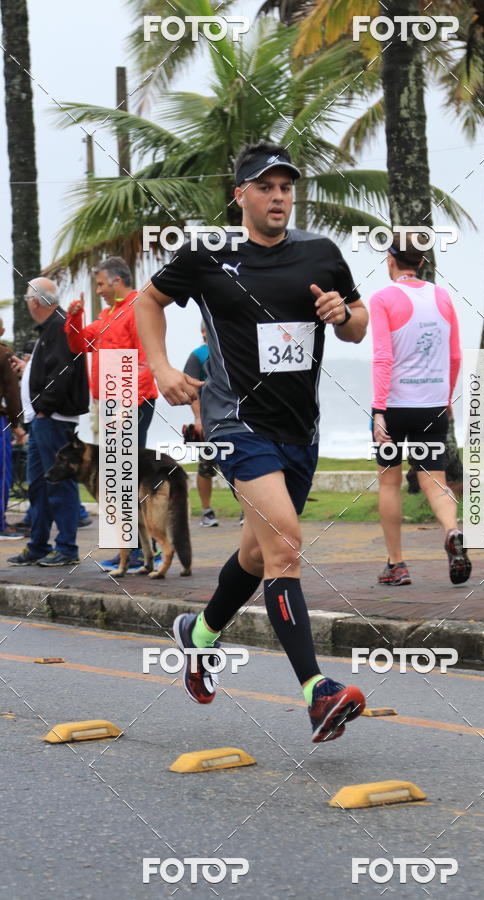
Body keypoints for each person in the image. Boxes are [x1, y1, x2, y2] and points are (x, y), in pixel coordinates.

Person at [136, 141, 368, 743]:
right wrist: (162, 369)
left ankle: (200, 635)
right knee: (288, 544)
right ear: (241, 194)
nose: (278, 198)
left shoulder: (321, 254)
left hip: (300, 430)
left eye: (286, 188)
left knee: (260, 554)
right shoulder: (209, 253)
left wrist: (341, 313)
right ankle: (317, 692)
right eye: (266, 187)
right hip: (236, 426)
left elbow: (359, 326)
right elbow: (149, 300)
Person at [369, 233, 471, 586]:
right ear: (423, 264)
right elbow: (455, 356)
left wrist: (378, 410)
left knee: (390, 482)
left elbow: (383, 357)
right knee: (435, 479)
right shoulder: (442, 297)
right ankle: (453, 531)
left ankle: (396, 565)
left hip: (395, 405)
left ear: (391, 260)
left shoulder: (382, 298)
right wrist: (446, 400)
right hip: (432, 405)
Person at [64, 256, 159, 571]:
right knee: (117, 475)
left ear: (118, 281)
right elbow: (79, 344)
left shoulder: (137, 309)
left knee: (127, 474)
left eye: (102, 284)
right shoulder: (107, 314)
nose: (99, 290)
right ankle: (126, 550)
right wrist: (74, 318)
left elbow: (145, 359)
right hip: (112, 402)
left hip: (130, 401)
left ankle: (144, 550)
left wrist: (128, 403)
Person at [7, 279, 89, 567]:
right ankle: (38, 545)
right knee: (39, 486)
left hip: (52, 418)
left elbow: (62, 371)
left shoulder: (59, 325)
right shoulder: (51, 327)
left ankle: (66, 547)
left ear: (35, 301)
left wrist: (43, 408)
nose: (27, 302)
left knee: (59, 483)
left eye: (28, 297)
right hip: (43, 420)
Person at [183, 324, 219, 527]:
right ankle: (207, 511)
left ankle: (246, 511)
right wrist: (198, 419)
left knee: (241, 465)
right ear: (203, 332)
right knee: (206, 467)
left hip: (234, 419)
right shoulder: (198, 355)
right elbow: (191, 390)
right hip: (208, 420)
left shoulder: (230, 350)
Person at [0, 317, 26, 539]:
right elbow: (11, 393)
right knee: (2, 473)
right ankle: (0, 524)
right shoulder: (4, 354)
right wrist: (16, 424)